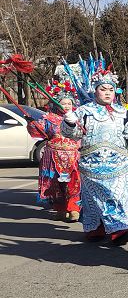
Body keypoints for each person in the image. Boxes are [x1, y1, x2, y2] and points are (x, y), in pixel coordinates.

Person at [61, 69, 128, 245]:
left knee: (119, 195)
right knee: (93, 199)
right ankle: (96, 228)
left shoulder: (122, 112)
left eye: (110, 90)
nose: (107, 93)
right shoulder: (84, 111)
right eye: (103, 89)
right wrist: (69, 122)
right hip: (91, 165)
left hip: (119, 163)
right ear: (95, 90)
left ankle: (120, 229)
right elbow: (72, 135)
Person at [27, 81, 81, 222]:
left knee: (73, 183)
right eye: (63, 103)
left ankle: (74, 208)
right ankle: (60, 209)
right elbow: (38, 132)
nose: (66, 106)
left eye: (69, 103)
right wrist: (31, 123)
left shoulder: (77, 118)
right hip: (53, 155)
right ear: (56, 104)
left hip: (72, 155)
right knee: (56, 184)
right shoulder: (48, 118)